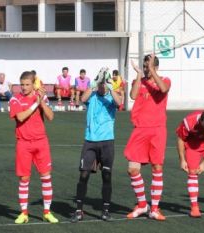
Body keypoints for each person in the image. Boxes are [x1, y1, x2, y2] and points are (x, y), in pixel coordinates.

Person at [70, 68, 122, 222]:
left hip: (107, 142)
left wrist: (110, 86)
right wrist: (94, 83)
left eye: (104, 84)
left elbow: (119, 102)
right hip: (90, 141)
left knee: (106, 176)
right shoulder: (92, 95)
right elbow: (82, 100)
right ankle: (79, 211)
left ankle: (105, 211)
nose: (102, 87)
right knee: (84, 175)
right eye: (100, 84)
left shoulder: (111, 97)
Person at [124, 54, 171, 221]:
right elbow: (133, 95)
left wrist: (152, 70)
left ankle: (155, 209)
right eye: (144, 66)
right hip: (140, 130)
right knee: (132, 169)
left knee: (157, 168)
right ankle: (143, 204)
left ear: (156, 67)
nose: (145, 69)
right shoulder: (141, 80)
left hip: (157, 130)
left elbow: (163, 89)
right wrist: (138, 75)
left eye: (148, 66)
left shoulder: (165, 79)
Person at [9, 71, 58, 224]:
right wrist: (36, 103)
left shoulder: (41, 98)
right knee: (24, 179)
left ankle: (47, 212)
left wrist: (41, 101)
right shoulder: (14, 99)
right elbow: (21, 117)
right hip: (23, 143)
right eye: (21, 84)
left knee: (46, 177)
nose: (23, 87)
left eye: (27, 84)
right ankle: (24, 213)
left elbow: (50, 117)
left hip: (41, 142)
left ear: (33, 84)